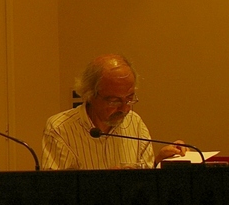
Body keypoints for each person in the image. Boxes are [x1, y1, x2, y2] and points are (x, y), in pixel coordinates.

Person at [41, 54, 187, 169]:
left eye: (129, 98)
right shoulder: (60, 129)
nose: (124, 108)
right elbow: (56, 193)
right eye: (114, 101)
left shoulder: (134, 123)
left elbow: (145, 185)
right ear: (90, 95)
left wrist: (159, 163)